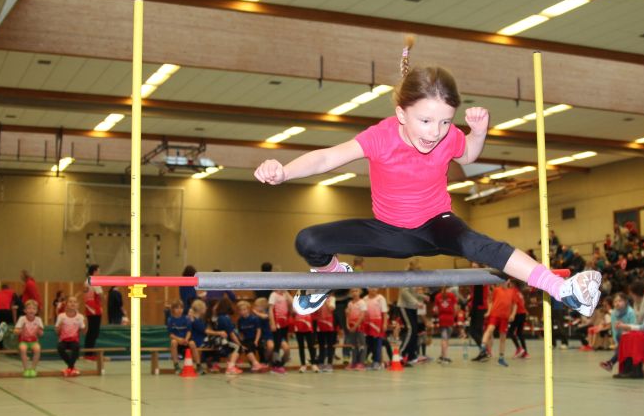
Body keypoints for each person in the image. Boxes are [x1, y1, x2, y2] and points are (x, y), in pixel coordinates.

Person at [253, 37, 601, 320]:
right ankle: (330, 276)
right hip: (389, 232)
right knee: (309, 241)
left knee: (481, 246)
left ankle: (563, 290)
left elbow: (467, 155)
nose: (435, 132)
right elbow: (327, 157)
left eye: (445, 122)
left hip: (437, 224)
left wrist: (479, 133)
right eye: (425, 121)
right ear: (401, 114)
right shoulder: (381, 136)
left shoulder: (448, 137)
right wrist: (284, 171)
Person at [599, 293, 636, 373]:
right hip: (620, 338)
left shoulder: (630, 312)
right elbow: (614, 329)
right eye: (615, 301)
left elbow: (633, 327)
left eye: (620, 301)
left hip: (631, 337)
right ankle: (611, 363)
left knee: (621, 340)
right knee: (619, 339)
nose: (617, 303)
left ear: (625, 301)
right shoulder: (614, 313)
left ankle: (611, 363)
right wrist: (616, 342)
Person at [55, 296, 87, 377]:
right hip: (63, 340)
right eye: (70, 302)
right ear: (66, 304)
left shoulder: (80, 317)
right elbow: (57, 332)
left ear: (77, 305)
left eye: (75, 302)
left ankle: (69, 368)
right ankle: (72, 367)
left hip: (74, 340)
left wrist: (86, 323)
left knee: (76, 347)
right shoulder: (61, 316)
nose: (72, 303)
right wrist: (60, 327)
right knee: (60, 347)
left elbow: (83, 332)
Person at [14, 299, 44, 377]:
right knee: (23, 349)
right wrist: (20, 330)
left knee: (37, 349)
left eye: (34, 308)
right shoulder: (22, 319)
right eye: (29, 308)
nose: (31, 310)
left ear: (36, 311)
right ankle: (26, 369)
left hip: (34, 341)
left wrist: (39, 331)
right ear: (25, 310)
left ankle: (33, 369)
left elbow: (41, 334)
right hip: (23, 341)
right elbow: (16, 331)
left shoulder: (38, 320)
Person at [235, 300, 266, 373]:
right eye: (241, 310)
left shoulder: (254, 319)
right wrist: (241, 340)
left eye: (244, 309)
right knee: (246, 346)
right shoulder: (240, 320)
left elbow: (258, 330)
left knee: (261, 346)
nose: (243, 312)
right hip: (247, 339)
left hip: (256, 338)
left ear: (248, 309)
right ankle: (254, 364)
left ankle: (263, 362)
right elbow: (240, 332)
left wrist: (256, 340)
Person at [166, 299, 196, 374]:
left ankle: (198, 365)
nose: (179, 310)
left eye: (181, 308)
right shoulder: (170, 320)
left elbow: (189, 331)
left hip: (186, 340)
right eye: (177, 308)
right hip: (177, 341)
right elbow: (170, 334)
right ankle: (176, 365)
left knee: (192, 343)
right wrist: (178, 339)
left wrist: (186, 339)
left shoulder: (186, 318)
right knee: (173, 342)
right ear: (173, 309)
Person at [82, 264, 103, 360]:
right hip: (95, 310)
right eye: (99, 271)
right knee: (93, 333)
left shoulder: (87, 281)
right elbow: (100, 295)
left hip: (89, 309)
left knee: (90, 332)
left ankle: (88, 353)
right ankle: (89, 354)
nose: (100, 273)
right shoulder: (94, 281)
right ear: (94, 271)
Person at [433, 286, 457, 364]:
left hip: (442, 318)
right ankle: (444, 357)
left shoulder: (437, 296)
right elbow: (456, 308)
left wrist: (439, 312)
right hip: (450, 318)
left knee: (444, 339)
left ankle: (443, 356)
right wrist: (453, 316)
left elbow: (435, 310)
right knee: (446, 339)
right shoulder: (452, 295)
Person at [345, 288, 367, 370]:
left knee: (362, 344)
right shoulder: (350, 303)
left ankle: (361, 363)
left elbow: (362, 316)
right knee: (353, 345)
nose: (354, 293)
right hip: (351, 326)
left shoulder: (362, 302)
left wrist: (355, 326)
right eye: (353, 291)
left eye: (356, 291)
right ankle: (354, 362)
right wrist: (347, 325)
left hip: (360, 326)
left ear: (360, 292)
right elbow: (347, 315)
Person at [314, 293, 336, 372]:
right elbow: (315, 310)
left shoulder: (332, 298)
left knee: (330, 345)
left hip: (329, 325)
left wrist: (325, 301)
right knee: (321, 346)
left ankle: (329, 364)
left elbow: (331, 308)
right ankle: (321, 363)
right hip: (320, 325)